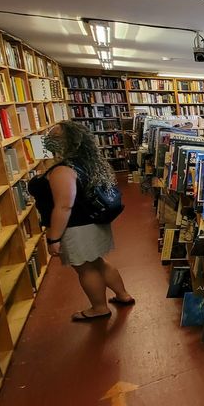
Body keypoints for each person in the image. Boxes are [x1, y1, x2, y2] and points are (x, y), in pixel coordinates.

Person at [41, 121, 134, 322]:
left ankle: (99, 308)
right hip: (93, 222)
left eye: (54, 136)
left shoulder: (63, 170)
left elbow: (64, 207)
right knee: (98, 262)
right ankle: (123, 295)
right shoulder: (87, 161)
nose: (48, 138)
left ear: (66, 142)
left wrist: (53, 238)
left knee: (85, 268)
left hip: (78, 227)